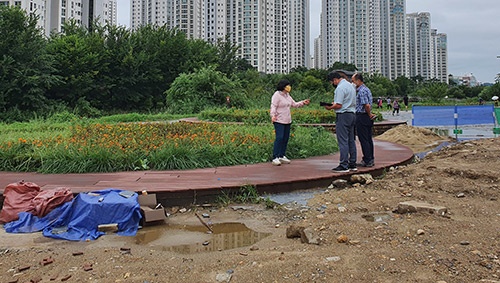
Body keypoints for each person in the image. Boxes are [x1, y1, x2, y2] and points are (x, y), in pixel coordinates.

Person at [270, 79, 310, 166]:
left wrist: (303, 102)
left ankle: (282, 155)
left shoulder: (287, 95)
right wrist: (272, 115)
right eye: (287, 85)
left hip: (287, 120)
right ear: (283, 86)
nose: (289, 87)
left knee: (285, 138)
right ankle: (275, 157)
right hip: (279, 120)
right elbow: (273, 106)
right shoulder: (277, 95)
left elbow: (294, 104)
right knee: (279, 138)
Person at [324, 71, 357, 173]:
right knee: (351, 140)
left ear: (335, 80)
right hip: (352, 114)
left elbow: (338, 105)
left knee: (343, 141)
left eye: (332, 82)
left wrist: (329, 107)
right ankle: (352, 163)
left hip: (343, 115)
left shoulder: (340, 88)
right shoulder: (351, 86)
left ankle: (343, 165)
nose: (333, 84)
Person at [352, 73, 375, 167]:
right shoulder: (367, 89)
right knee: (369, 139)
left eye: (353, 81)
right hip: (366, 116)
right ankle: (370, 158)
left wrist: (369, 114)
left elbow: (366, 105)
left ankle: (367, 159)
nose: (352, 83)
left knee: (364, 139)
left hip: (362, 116)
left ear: (358, 81)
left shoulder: (361, 91)